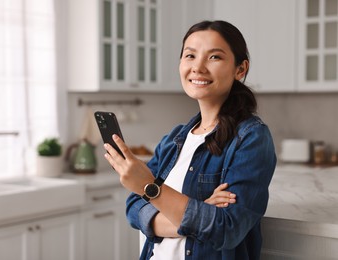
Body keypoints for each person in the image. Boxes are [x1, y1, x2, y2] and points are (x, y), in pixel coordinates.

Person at [103, 20, 277, 260]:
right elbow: (134, 210)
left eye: (214, 57)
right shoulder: (175, 138)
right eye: (190, 55)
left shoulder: (251, 137)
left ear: (240, 69)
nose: (198, 67)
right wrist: (199, 209)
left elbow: (227, 229)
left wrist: (151, 190)